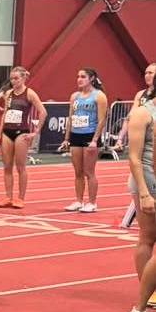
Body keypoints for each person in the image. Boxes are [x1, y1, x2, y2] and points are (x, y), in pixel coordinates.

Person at [125, 74, 156, 312]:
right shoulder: (143, 113)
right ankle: (145, 297)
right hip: (146, 178)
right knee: (147, 238)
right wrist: (144, 193)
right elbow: (134, 157)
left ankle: (144, 300)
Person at [0, 66, 44, 208]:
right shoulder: (8, 93)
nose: (14, 81)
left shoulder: (30, 93)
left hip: (21, 132)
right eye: (12, 79)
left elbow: (42, 112)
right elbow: (5, 114)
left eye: (16, 78)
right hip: (7, 131)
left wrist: (35, 132)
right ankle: (8, 197)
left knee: (20, 166)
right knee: (7, 166)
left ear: (24, 78)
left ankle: (20, 198)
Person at [63, 68, 107, 213]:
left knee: (89, 171)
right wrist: (66, 138)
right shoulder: (74, 96)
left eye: (83, 77)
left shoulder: (99, 96)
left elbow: (101, 120)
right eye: (78, 76)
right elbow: (70, 118)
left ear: (91, 79)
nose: (79, 79)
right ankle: (78, 201)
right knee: (78, 172)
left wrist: (95, 140)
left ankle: (92, 202)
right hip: (76, 135)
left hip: (90, 135)